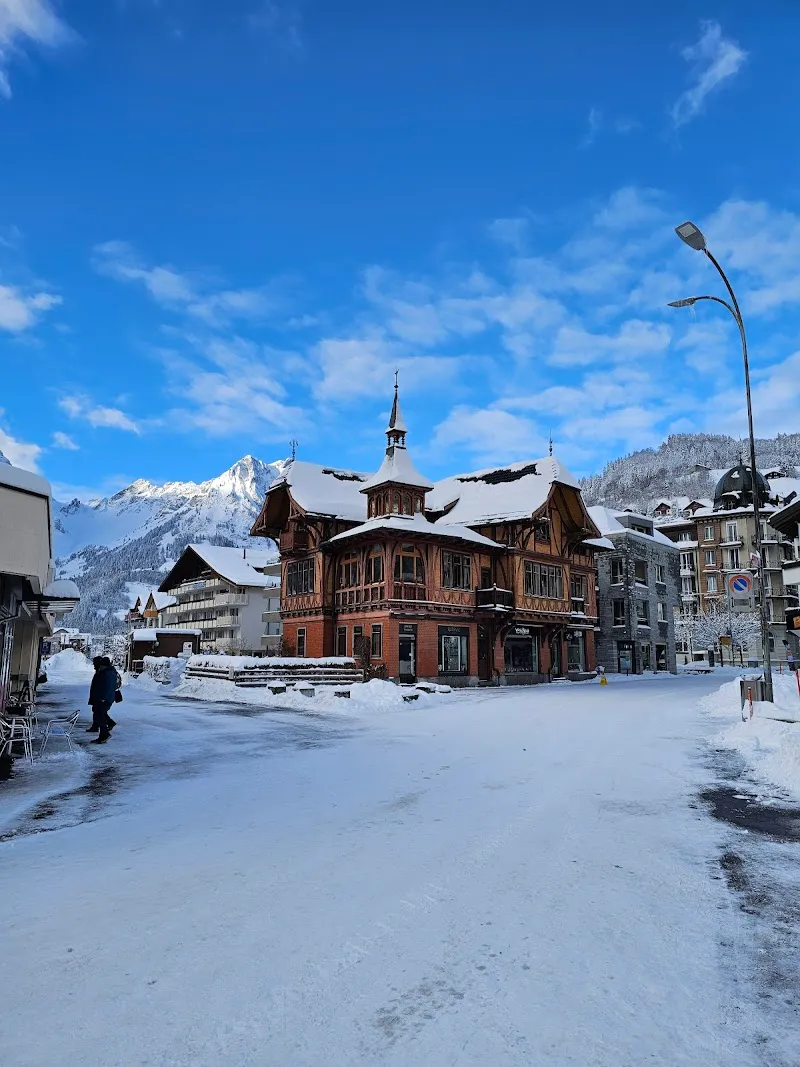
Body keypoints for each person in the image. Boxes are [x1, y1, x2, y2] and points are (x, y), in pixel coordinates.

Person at [87, 656, 120, 744]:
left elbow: (108, 687)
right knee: (99, 712)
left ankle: (104, 733)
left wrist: (103, 698)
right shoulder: (104, 671)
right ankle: (105, 728)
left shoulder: (108, 673)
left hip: (105, 699)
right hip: (101, 697)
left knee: (99, 713)